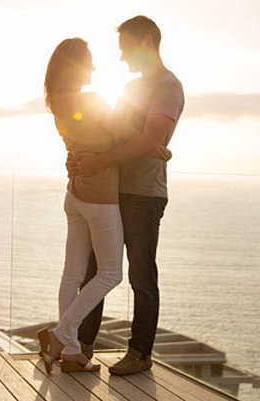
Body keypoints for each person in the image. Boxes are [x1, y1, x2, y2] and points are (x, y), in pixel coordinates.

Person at [37, 37, 171, 374]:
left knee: (73, 274)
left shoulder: (57, 101)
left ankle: (72, 353)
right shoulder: (91, 100)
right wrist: (156, 148)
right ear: (77, 65)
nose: (95, 67)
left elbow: (89, 141)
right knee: (109, 273)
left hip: (75, 194)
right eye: (90, 61)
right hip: (100, 196)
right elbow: (123, 133)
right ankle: (62, 335)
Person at [74, 15, 185, 376]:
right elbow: (115, 133)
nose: (121, 58)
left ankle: (139, 354)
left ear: (147, 42)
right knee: (96, 272)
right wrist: (83, 154)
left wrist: (107, 158)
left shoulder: (168, 86)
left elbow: (147, 139)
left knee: (141, 276)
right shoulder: (131, 88)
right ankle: (82, 347)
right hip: (112, 192)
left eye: (125, 50)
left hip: (143, 195)